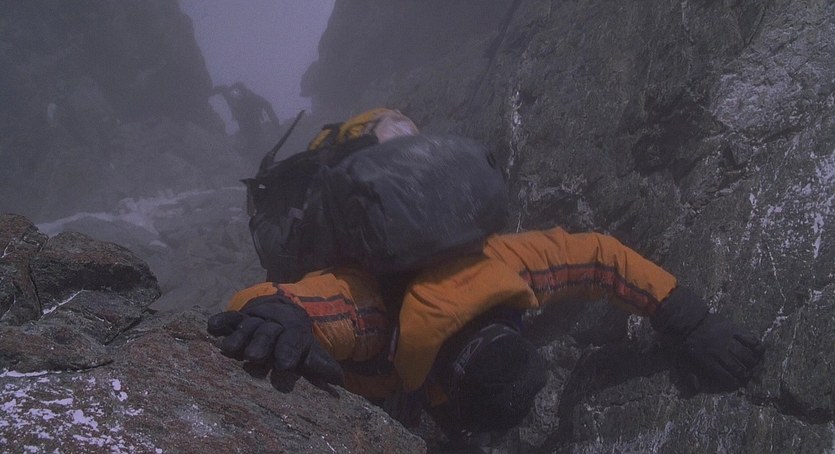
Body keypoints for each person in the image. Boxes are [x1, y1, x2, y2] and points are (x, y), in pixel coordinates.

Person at [207, 109, 764, 447]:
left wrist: (691, 322)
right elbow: (300, 302)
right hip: (371, 318)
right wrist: (275, 314)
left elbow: (600, 256)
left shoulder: (509, 264)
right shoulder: (373, 310)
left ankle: (378, 136)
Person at [212, 82, 279, 151]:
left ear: (243, 92)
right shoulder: (230, 96)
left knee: (255, 136)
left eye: (238, 92)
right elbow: (222, 88)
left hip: (253, 119)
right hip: (241, 119)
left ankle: (255, 148)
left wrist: (274, 120)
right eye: (234, 92)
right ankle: (250, 147)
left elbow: (266, 104)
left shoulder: (252, 98)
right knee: (245, 132)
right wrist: (209, 92)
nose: (236, 95)